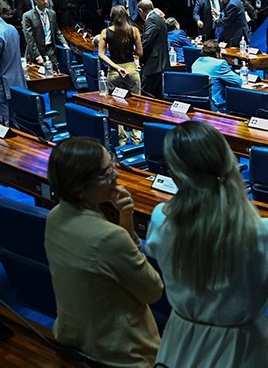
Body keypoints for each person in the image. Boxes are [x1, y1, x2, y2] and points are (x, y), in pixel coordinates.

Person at [146, 120, 268, 367]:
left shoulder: (160, 217)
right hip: (243, 350)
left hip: (180, 345)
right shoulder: (265, 232)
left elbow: (153, 253)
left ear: (175, 173)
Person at [45, 137, 163, 367]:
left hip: (75, 342)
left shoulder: (55, 216)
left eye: (113, 165)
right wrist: (124, 232)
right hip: (121, 355)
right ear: (80, 187)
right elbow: (152, 290)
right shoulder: (108, 237)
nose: (115, 176)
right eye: (106, 172)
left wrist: (126, 219)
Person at [99, 5, 143, 145]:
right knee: (136, 104)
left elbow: (101, 54)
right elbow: (140, 53)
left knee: (117, 106)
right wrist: (132, 47)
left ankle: (122, 138)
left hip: (114, 72)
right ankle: (136, 137)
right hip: (131, 69)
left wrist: (117, 67)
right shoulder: (134, 30)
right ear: (126, 16)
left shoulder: (105, 32)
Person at [22, 0, 69, 68]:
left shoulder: (52, 13)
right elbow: (30, 38)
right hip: (36, 53)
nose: (46, 2)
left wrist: (64, 43)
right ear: (35, 0)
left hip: (50, 51)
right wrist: (38, 56)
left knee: (54, 77)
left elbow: (57, 31)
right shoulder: (28, 16)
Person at [190, 39, 242, 112]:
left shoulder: (196, 62)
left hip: (199, 103)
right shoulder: (219, 64)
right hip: (216, 106)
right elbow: (238, 82)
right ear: (217, 53)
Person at [138, 0, 167, 99]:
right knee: (157, 97)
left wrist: (141, 58)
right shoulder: (159, 18)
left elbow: (147, 42)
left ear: (141, 11)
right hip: (160, 63)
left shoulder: (151, 19)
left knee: (146, 96)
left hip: (152, 64)